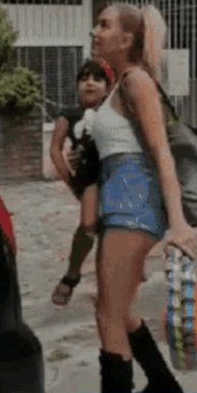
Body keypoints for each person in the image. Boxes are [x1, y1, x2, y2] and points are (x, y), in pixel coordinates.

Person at [91, 2, 197, 393]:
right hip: (119, 207)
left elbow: (161, 153)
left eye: (104, 25)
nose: (95, 31)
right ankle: (164, 387)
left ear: (126, 39)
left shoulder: (137, 81)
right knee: (114, 310)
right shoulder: (121, 83)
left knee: (110, 319)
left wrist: (178, 224)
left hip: (132, 207)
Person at [50, 59, 114, 306]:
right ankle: (73, 272)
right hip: (89, 177)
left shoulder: (114, 114)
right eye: (84, 78)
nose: (90, 83)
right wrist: (71, 181)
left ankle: (107, 286)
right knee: (88, 224)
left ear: (107, 87)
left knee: (111, 231)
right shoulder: (69, 115)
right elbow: (55, 150)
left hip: (115, 175)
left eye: (97, 79)